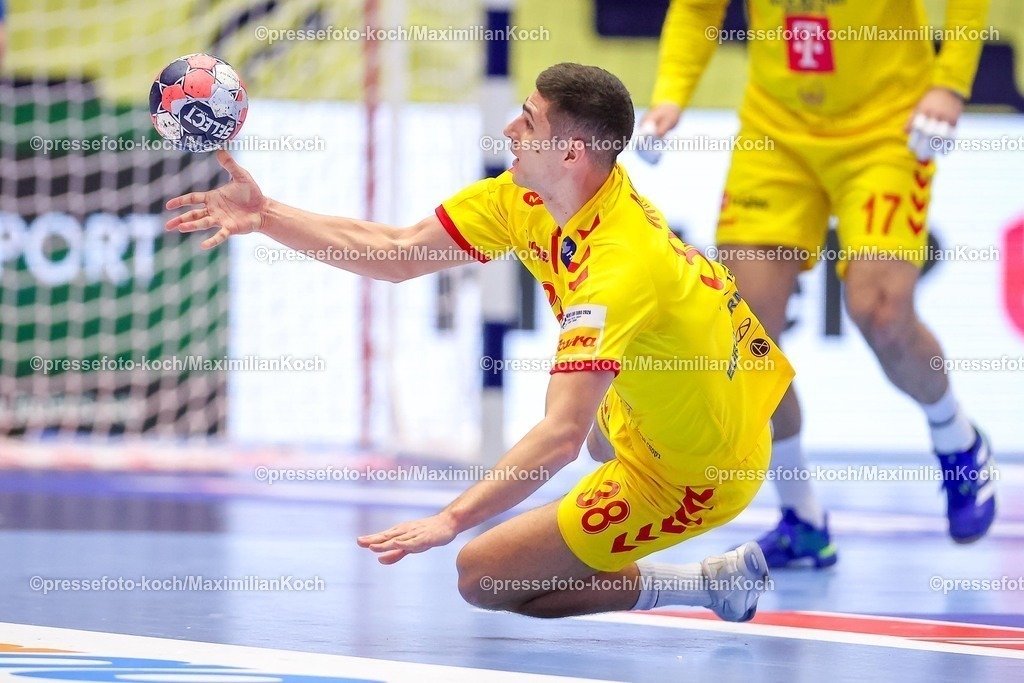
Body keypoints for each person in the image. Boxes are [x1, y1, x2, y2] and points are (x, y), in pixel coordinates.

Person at [166, 63, 794, 620]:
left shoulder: (617, 268)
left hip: (700, 469)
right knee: (608, 402)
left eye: (528, 120)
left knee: (485, 575)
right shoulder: (527, 196)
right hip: (673, 390)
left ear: (572, 152)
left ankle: (705, 583)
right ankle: (701, 563)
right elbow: (397, 252)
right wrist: (266, 214)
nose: (509, 130)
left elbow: (558, 437)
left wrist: (450, 519)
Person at [641, 0, 995, 569]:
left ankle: (958, 441)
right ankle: (803, 517)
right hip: (776, 133)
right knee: (743, 329)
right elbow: (696, 8)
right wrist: (670, 94)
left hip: (888, 126)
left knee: (881, 312)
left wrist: (950, 83)